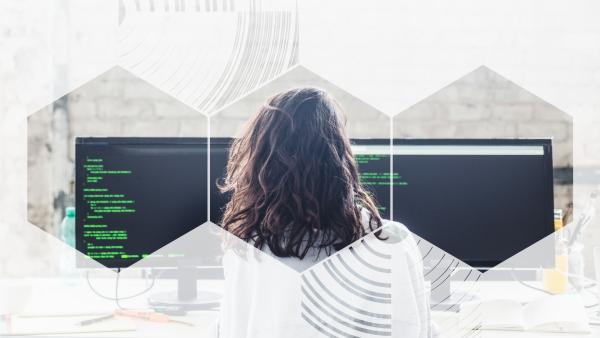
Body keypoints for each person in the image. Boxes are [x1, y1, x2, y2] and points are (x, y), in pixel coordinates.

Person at [214, 87, 434, 337]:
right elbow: (420, 328)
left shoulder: (246, 247)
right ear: (340, 157)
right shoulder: (390, 241)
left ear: (260, 163)